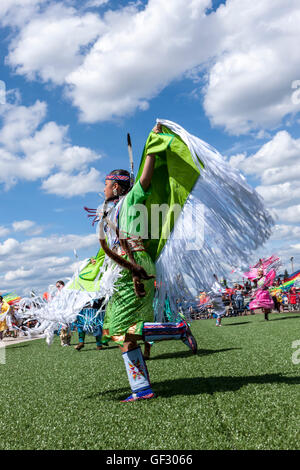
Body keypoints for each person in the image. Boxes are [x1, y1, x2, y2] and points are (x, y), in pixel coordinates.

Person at [99, 125, 197, 402]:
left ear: (116, 186)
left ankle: (176, 328)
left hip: (134, 265)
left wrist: (152, 148)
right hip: (128, 265)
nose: (102, 189)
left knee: (119, 328)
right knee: (125, 333)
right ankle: (142, 389)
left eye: (105, 184)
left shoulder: (132, 199)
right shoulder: (113, 210)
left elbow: (144, 179)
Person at [56, 281, 72, 346]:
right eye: (57, 287)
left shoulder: (67, 292)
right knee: (63, 328)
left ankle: (68, 341)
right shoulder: (57, 294)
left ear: (63, 285)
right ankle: (63, 342)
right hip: (61, 313)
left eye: (59, 286)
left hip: (68, 312)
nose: (58, 288)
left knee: (68, 328)